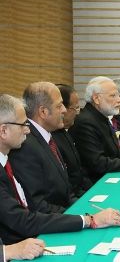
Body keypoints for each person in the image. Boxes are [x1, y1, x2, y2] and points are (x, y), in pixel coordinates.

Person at [0, 94, 120, 245]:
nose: (27, 130)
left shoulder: (7, 160)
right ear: (3, 131)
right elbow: (22, 220)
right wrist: (88, 220)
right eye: (23, 124)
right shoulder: (21, 153)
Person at [9, 82, 74, 214]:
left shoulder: (48, 134)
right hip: (51, 224)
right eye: (59, 105)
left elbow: (65, 191)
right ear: (43, 112)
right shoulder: (25, 145)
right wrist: (77, 217)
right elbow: (37, 205)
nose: (64, 110)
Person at [51, 84, 92, 198]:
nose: (78, 113)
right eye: (75, 108)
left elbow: (78, 171)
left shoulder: (64, 131)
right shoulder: (51, 138)